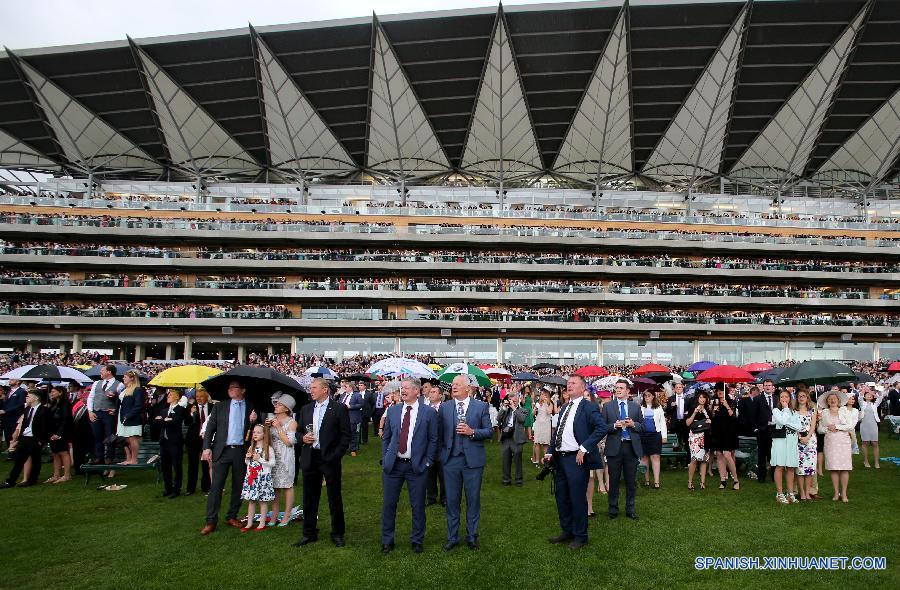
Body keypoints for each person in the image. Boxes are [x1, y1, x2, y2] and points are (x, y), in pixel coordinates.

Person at [544, 375, 607, 550]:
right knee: (561, 496)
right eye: (568, 383)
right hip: (560, 459)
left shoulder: (589, 407)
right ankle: (567, 531)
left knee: (578, 498)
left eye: (573, 383)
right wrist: (550, 452)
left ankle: (581, 536)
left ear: (583, 388)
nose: (569, 385)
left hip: (576, 459)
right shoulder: (564, 407)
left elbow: (601, 428)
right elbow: (558, 433)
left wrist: (584, 448)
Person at [380, 378, 438, 554]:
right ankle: (387, 541)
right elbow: (387, 437)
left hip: (417, 467)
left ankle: (417, 540)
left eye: (406, 388)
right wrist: (385, 457)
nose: (402, 390)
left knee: (418, 505)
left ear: (417, 391)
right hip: (394, 466)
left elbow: (434, 439)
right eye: (401, 388)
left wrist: (427, 461)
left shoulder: (428, 413)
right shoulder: (394, 410)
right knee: (389, 504)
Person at [438, 375, 492, 550]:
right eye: (453, 384)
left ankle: (472, 535)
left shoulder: (481, 406)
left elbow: (489, 431)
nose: (453, 387)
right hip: (451, 460)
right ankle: (452, 537)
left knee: (473, 500)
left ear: (468, 388)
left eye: (458, 385)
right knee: (452, 500)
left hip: (473, 462)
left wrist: (472, 432)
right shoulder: (445, 407)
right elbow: (438, 434)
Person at [295, 378, 351, 547]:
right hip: (310, 456)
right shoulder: (306, 409)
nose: (311, 391)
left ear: (325, 389)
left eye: (314, 388)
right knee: (309, 497)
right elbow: (297, 432)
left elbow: (346, 435)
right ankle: (309, 532)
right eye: (310, 388)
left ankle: (337, 533)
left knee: (334, 497)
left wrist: (335, 455)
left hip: (329, 458)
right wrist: (302, 438)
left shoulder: (339, 408)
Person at [200, 380, 257, 535]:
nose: (230, 390)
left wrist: (254, 421)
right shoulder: (220, 406)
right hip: (222, 450)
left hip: (241, 451)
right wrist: (206, 448)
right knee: (216, 487)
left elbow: (256, 430)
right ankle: (211, 521)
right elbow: (210, 428)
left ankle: (232, 515)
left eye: (234, 387)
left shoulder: (251, 406)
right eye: (229, 387)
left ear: (243, 390)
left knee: (239, 486)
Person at [602, 379, 644, 520]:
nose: (618, 390)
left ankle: (630, 509)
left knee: (631, 481)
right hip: (615, 447)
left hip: (631, 447)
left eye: (621, 388)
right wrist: (614, 426)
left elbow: (642, 427)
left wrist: (633, 424)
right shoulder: (608, 407)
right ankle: (613, 509)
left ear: (627, 391)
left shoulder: (635, 407)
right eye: (617, 388)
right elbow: (602, 428)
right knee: (614, 480)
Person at [1, 389, 49, 488]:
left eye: (29, 396)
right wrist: (20, 436)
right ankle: (11, 481)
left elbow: (45, 426)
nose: (26, 397)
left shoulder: (44, 410)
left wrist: (41, 440)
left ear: (36, 398)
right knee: (19, 459)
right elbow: (25, 424)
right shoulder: (28, 409)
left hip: (35, 438)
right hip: (25, 437)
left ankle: (32, 479)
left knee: (36, 460)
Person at [818, 391, 858, 503]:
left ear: (839, 400)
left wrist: (837, 426)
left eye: (834, 398)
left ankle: (844, 493)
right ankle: (836, 492)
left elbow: (850, 425)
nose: (832, 400)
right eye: (830, 399)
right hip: (830, 442)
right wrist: (828, 428)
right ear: (827, 402)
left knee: (845, 467)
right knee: (834, 468)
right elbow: (820, 429)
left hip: (843, 441)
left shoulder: (844, 410)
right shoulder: (824, 412)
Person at [266, 392, 297, 527]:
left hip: (285, 456)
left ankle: (287, 514)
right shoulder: (271, 419)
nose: (276, 406)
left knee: (287, 485)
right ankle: (274, 513)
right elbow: (266, 440)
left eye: (279, 404)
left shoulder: (292, 422)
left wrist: (278, 427)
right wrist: (267, 428)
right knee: (275, 486)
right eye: (276, 404)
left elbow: (289, 442)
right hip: (273, 457)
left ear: (286, 408)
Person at [240, 424, 276, 532]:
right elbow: (248, 463)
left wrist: (260, 459)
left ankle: (261, 523)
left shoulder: (268, 449)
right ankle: (249, 523)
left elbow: (273, 463)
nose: (255, 434)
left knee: (262, 501)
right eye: (254, 432)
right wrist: (247, 459)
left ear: (265, 435)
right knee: (251, 501)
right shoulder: (251, 447)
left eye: (258, 432)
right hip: (252, 477)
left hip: (262, 478)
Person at [87, 365, 123, 465]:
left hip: (109, 414)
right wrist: (90, 411)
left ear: (109, 372)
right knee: (97, 435)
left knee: (110, 435)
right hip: (96, 412)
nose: (100, 372)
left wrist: (116, 407)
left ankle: (110, 457)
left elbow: (122, 400)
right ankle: (99, 456)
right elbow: (91, 397)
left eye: (102, 370)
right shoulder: (96, 383)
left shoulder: (119, 385)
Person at [153, 389, 186, 498]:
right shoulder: (164, 410)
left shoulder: (180, 409)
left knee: (176, 466)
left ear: (177, 397)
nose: (168, 396)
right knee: (165, 466)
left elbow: (174, 422)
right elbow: (156, 423)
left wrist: (163, 420)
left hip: (175, 442)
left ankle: (176, 489)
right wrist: (165, 420)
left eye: (171, 395)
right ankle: (168, 488)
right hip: (164, 442)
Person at [771, 390, 801, 504]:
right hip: (780, 441)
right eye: (782, 397)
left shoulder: (795, 412)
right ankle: (779, 493)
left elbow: (798, 426)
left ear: (790, 398)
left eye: (786, 397)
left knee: (790, 467)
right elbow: (782, 420)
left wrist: (789, 423)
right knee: (780, 466)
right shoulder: (776, 410)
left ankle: (790, 492)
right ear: (779, 399)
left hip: (792, 441)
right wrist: (786, 409)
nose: (784, 399)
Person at [709, 388, 740, 490]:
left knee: (727, 454)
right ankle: (723, 480)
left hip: (729, 432)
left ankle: (735, 479)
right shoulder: (714, 403)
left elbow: (733, 416)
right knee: (719, 454)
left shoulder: (731, 401)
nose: (720, 392)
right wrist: (713, 410)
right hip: (717, 431)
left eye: (721, 390)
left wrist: (727, 406)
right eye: (718, 391)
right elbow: (712, 418)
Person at [497, 391, 527, 487]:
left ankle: (518, 480)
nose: (512, 403)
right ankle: (506, 479)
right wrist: (504, 407)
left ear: (518, 401)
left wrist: (514, 408)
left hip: (516, 438)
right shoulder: (507, 410)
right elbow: (498, 418)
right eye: (511, 401)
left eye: (514, 401)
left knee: (518, 460)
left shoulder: (523, 410)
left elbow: (521, 419)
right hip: (506, 437)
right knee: (505, 459)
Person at [185, 389, 213, 496]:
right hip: (193, 439)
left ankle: (206, 486)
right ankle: (190, 488)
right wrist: (192, 414)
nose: (199, 399)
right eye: (197, 397)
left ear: (206, 397)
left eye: (201, 396)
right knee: (192, 464)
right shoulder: (191, 407)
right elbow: (186, 422)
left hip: (206, 438)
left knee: (206, 463)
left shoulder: (212, 407)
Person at [639, 389, 666, 489]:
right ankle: (646, 480)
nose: (647, 397)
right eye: (645, 396)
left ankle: (656, 481)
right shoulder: (640, 407)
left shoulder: (658, 408)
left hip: (655, 435)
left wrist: (664, 436)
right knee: (644, 457)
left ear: (653, 396)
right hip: (643, 435)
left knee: (655, 457)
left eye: (649, 395)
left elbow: (663, 422)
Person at [46, 385, 73, 484]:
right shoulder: (53, 404)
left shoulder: (65, 404)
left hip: (62, 431)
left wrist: (59, 433)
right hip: (53, 430)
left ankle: (67, 474)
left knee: (63, 452)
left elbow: (66, 420)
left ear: (60, 392)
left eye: (54, 391)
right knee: (55, 453)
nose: (51, 393)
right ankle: (56, 474)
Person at [117, 370, 145, 465]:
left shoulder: (137, 390)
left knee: (132, 439)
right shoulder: (125, 390)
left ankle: (134, 459)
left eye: (125, 377)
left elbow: (138, 405)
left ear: (132, 378)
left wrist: (129, 415)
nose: (123, 378)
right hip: (122, 417)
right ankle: (128, 458)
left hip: (132, 418)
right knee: (125, 439)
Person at [425, 382, 446, 507]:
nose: (430, 394)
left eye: (433, 392)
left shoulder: (446, 408)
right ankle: (431, 497)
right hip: (428, 447)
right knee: (429, 474)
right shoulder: (425, 408)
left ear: (440, 395)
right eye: (430, 392)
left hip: (442, 446)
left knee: (443, 475)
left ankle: (444, 498)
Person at [795, 390, 818, 501]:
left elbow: (813, 426)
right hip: (798, 441)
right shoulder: (794, 411)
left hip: (810, 441)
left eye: (804, 396)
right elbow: (793, 426)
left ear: (807, 398)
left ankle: (808, 492)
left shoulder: (812, 410)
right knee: (800, 469)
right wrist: (800, 437)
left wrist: (807, 437)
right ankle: (802, 493)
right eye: (799, 396)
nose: (802, 398)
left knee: (809, 469)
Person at [686, 392, 711, 490]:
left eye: (704, 397)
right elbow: (687, 423)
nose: (702, 399)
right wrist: (695, 412)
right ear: (697, 399)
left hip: (706, 437)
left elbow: (710, 422)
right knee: (694, 460)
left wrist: (709, 419)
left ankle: (702, 482)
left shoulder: (707, 410)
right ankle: (690, 482)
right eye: (700, 397)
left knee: (704, 460)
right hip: (695, 437)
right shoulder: (693, 408)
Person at [753, 379, 777, 482]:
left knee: (773, 454)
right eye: (766, 385)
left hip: (775, 430)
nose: (768, 387)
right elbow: (753, 414)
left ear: (773, 387)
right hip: (762, 430)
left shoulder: (777, 399)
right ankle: (761, 477)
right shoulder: (758, 399)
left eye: (769, 385)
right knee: (762, 455)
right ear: (763, 387)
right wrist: (756, 428)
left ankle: (774, 477)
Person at [859, 384, 886, 469]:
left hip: (873, 425)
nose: (869, 395)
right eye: (867, 394)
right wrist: (865, 388)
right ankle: (866, 461)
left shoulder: (874, 404)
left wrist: (871, 392)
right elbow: (860, 396)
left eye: (870, 395)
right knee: (865, 443)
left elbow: (880, 397)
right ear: (865, 396)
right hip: (864, 425)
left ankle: (876, 462)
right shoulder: (862, 403)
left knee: (875, 443)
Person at [339, 379, 363, 457]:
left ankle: (353, 449)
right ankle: (344, 448)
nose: (345, 388)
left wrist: (350, 406)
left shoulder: (357, 395)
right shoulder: (343, 395)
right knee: (343, 433)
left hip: (352, 417)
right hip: (343, 417)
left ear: (351, 388)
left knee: (353, 433)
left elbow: (361, 404)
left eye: (346, 386)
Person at [0, 379, 26, 451]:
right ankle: (10, 452)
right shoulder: (9, 391)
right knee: (7, 435)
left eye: (12, 379)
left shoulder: (22, 392)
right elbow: (6, 404)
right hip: (6, 418)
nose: (10, 380)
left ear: (18, 382)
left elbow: (20, 405)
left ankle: (16, 452)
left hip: (15, 417)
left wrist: (5, 411)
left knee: (14, 435)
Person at [532, 390, 553, 463]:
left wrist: (546, 403)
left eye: (544, 394)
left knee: (545, 444)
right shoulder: (538, 403)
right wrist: (535, 408)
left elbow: (549, 412)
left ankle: (545, 461)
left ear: (547, 396)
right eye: (541, 394)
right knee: (537, 443)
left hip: (546, 425)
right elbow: (533, 414)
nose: (542, 396)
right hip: (538, 424)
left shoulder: (550, 403)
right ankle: (537, 460)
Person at [359, 379, 374, 445]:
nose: (359, 386)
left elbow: (373, 403)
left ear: (365, 386)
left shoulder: (369, 394)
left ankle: (365, 440)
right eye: (359, 385)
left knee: (365, 427)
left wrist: (370, 412)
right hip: (358, 413)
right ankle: (358, 440)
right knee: (357, 427)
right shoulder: (356, 393)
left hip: (365, 413)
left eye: (361, 385)